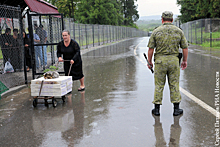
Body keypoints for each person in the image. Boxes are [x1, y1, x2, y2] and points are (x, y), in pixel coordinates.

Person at [147, 11, 188, 116]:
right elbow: (185, 47)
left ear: (162, 19)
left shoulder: (156, 31)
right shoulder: (178, 31)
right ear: (172, 20)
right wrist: (184, 60)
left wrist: (149, 61)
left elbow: (151, 48)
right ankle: (176, 109)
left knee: (159, 85)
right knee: (174, 84)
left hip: (160, 62)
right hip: (174, 61)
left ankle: (156, 110)